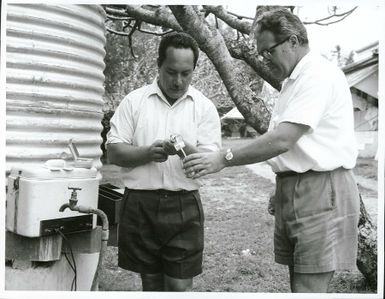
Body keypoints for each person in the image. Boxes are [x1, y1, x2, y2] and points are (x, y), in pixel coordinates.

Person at [183, 8, 360, 293]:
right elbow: (296, 146)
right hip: (299, 188)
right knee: (297, 284)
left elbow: (283, 139)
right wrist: (286, 184)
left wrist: (224, 157)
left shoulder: (318, 75)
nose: (265, 59)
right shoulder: (293, 81)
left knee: (308, 288)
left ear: (292, 40)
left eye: (269, 51)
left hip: (320, 190)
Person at [106, 32, 221, 291]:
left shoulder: (204, 107)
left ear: (194, 70)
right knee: (151, 282)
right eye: (171, 72)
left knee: (179, 285)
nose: (178, 81)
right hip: (140, 203)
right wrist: (147, 153)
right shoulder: (134, 102)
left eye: (186, 73)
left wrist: (189, 152)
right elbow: (113, 153)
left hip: (184, 204)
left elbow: (211, 161)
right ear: (158, 65)